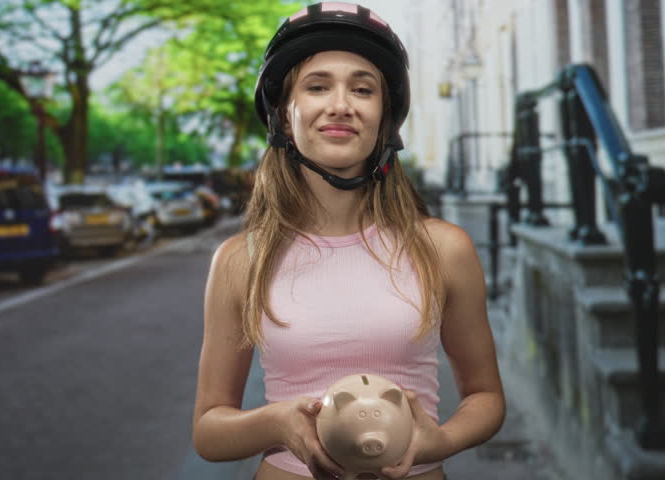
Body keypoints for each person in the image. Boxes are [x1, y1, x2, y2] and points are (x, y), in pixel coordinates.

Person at [192, 3, 505, 479]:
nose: (341, 104)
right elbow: (209, 431)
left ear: (385, 116)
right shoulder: (241, 259)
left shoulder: (445, 249)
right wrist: (277, 422)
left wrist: (440, 440)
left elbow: (486, 397)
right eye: (317, 86)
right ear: (284, 112)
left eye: (363, 89)